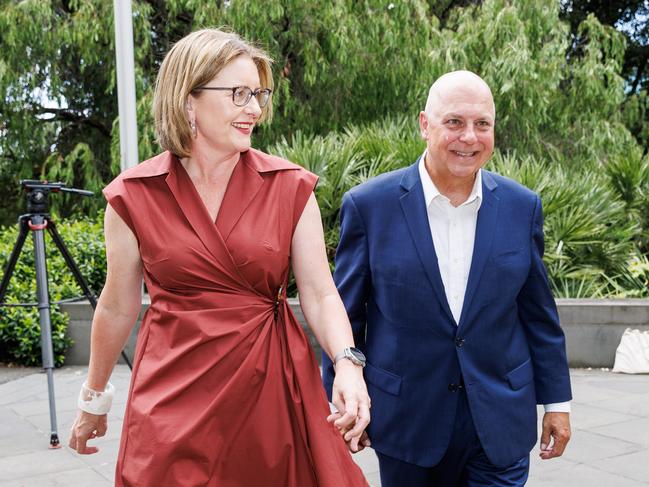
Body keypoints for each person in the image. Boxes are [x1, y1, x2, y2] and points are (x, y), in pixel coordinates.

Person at [68, 28, 370, 487]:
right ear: (189, 100)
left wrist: (347, 364)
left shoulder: (290, 187)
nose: (254, 109)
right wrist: (94, 399)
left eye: (259, 94)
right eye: (239, 94)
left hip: (270, 390)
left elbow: (320, 293)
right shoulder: (132, 196)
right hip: (171, 396)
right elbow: (116, 306)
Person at [323, 70, 572, 486]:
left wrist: (558, 402)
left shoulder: (521, 206)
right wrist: (346, 402)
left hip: (500, 421)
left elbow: (538, 315)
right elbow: (344, 317)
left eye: (482, 124)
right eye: (454, 122)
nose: (469, 137)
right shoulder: (369, 206)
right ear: (425, 124)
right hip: (408, 423)